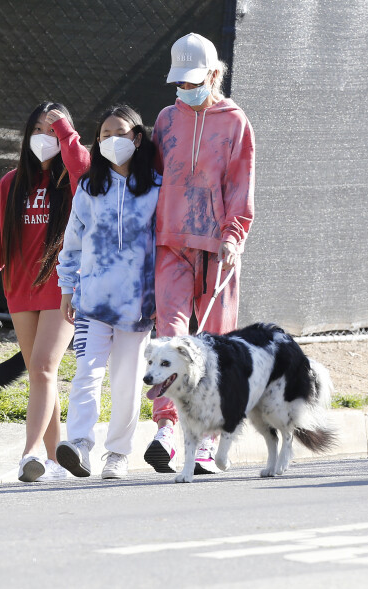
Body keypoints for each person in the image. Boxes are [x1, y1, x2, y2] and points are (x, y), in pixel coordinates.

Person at [0, 102, 90, 482]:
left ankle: (29, 451)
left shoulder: (75, 180)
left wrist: (65, 133)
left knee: (45, 366)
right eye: (38, 129)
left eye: (52, 130)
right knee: (39, 375)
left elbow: (83, 167)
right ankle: (54, 461)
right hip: (19, 289)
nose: (44, 137)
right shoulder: (11, 183)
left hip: (63, 288)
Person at [144, 32, 255, 475]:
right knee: (171, 338)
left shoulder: (235, 121)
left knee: (211, 346)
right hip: (170, 242)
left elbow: (241, 184)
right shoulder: (166, 118)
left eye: (194, 81)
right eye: (180, 82)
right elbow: (152, 179)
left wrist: (233, 235)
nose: (185, 89)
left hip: (217, 249)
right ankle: (168, 430)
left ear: (213, 74)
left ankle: (206, 441)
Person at [55, 105, 160, 479]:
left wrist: (162, 301)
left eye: (119, 133)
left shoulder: (158, 189)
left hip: (139, 306)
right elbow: (72, 243)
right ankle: (79, 444)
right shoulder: (88, 188)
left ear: (137, 137)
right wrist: (68, 288)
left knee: (127, 381)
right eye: (103, 135)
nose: (111, 140)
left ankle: (117, 454)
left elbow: (165, 249)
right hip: (92, 302)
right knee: (87, 371)